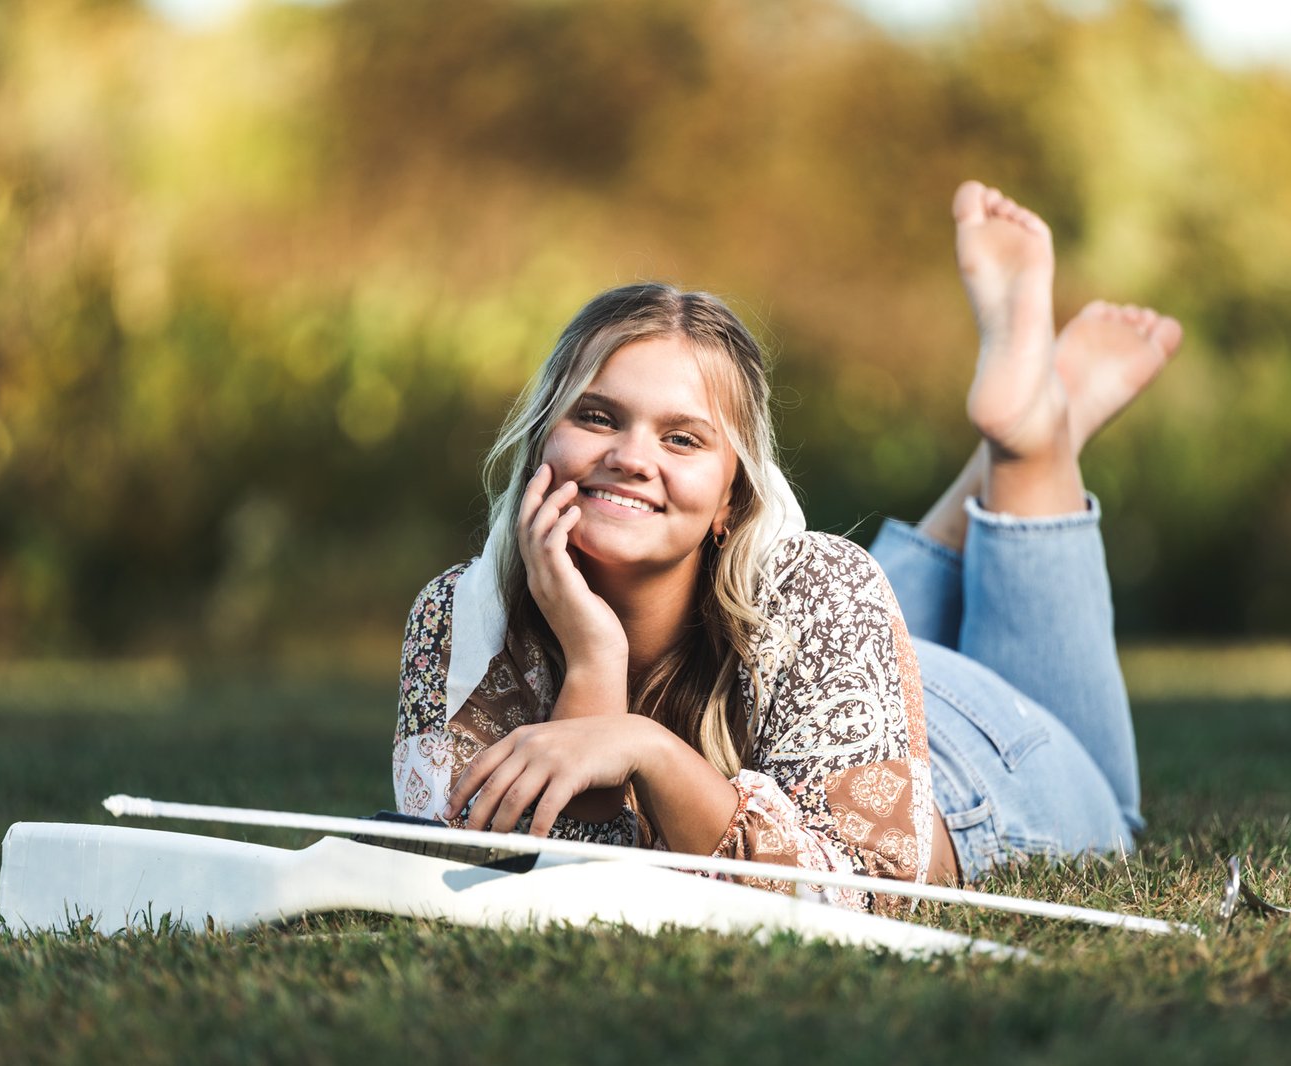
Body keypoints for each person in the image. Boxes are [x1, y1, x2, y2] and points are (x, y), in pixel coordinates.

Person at [393, 181, 1183, 915]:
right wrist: (596, 657)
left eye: (682, 437)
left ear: (730, 504)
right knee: (829, 596)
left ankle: (1030, 446)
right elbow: (538, 889)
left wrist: (644, 747)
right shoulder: (458, 620)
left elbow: (853, 892)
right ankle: (1031, 423)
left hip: (961, 756)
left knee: (1117, 811)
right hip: (841, 667)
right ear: (541, 445)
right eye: (597, 417)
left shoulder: (817, 587)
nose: (632, 456)